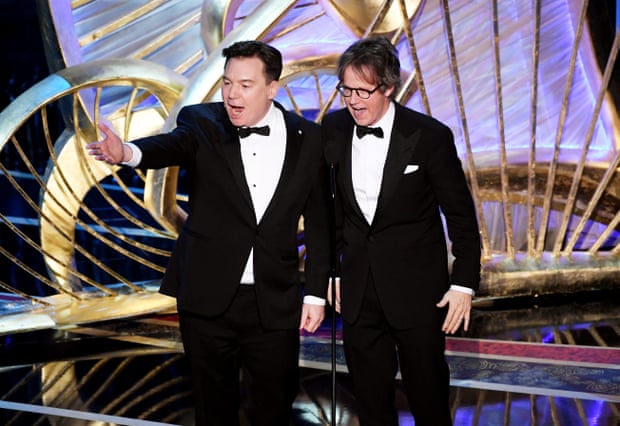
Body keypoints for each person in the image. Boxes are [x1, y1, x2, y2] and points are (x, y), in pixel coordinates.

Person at [87, 40, 331, 426]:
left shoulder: (310, 138)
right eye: (227, 83)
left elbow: (320, 225)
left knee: (274, 408)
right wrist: (128, 153)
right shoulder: (202, 122)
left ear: (272, 88)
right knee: (213, 410)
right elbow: (170, 146)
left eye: (245, 85)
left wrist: (315, 294)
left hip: (273, 299)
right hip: (207, 296)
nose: (232, 94)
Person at [322, 36, 481, 426]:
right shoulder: (334, 128)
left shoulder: (429, 136)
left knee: (428, 402)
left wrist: (463, 284)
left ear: (389, 88)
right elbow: (332, 210)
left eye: (363, 91)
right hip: (358, 292)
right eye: (346, 90)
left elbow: (460, 215)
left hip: (417, 294)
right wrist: (332, 270)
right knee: (370, 405)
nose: (353, 100)